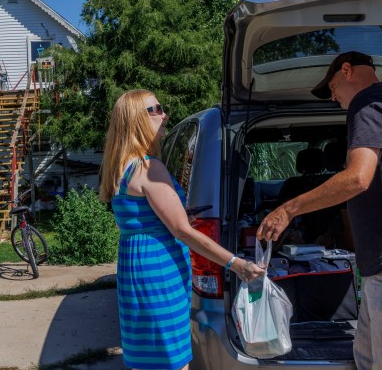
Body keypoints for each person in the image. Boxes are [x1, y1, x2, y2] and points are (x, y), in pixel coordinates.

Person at [257, 51, 382, 369]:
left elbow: (357, 178)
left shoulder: (368, 102)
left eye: (332, 86)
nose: (333, 97)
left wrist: (288, 209)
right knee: (366, 357)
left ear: (347, 70)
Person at [100, 89, 265, 370]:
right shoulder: (149, 168)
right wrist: (236, 263)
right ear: (135, 119)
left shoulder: (119, 168)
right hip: (160, 271)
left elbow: (129, 222)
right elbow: (182, 231)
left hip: (135, 268)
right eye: (155, 109)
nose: (164, 114)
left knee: (147, 357)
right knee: (172, 360)